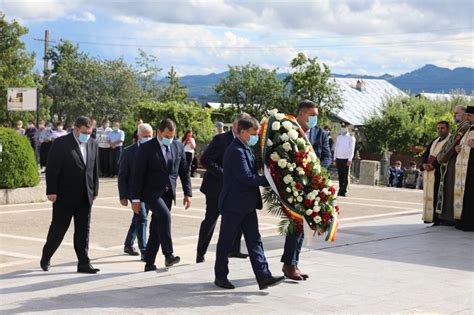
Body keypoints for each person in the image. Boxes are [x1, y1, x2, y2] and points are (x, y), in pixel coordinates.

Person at [214, 115, 285, 290]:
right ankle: (220, 276)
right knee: (226, 242)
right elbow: (246, 178)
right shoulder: (236, 150)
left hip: (247, 204)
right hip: (234, 205)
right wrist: (269, 179)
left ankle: (263, 276)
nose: (255, 136)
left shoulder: (244, 148)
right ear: (242, 131)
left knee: (255, 241)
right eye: (253, 133)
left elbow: (250, 172)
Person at [131, 118, 192, 272]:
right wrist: (136, 199)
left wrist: (188, 193)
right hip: (151, 192)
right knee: (165, 216)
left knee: (157, 227)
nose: (169, 139)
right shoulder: (146, 148)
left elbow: (184, 171)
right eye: (166, 136)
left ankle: (149, 263)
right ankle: (168, 254)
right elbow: (137, 175)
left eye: (172, 136)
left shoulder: (177, 146)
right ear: (158, 132)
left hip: (168, 192)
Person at [40, 116, 100, 274]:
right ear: (76, 128)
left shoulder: (93, 143)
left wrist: (95, 190)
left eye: (90, 132)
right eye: (84, 132)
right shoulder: (61, 143)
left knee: (83, 231)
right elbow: (52, 169)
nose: (87, 135)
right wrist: (51, 190)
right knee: (58, 229)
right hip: (64, 196)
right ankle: (46, 256)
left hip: (85, 196)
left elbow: (93, 169)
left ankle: (83, 263)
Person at [280, 100, 331, 281]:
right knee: (297, 223)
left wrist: (317, 171)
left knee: (304, 224)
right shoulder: (288, 131)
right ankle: (290, 264)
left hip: (313, 183)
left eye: (316, 115)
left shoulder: (320, 133)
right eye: (312, 115)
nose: (315, 119)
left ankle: (291, 263)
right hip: (294, 184)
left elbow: (326, 156)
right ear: (301, 114)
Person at [196, 114, 250, 264]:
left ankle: (234, 249)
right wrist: (225, 174)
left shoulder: (246, 140)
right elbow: (206, 159)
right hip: (216, 188)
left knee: (237, 217)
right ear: (235, 126)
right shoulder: (221, 139)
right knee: (211, 220)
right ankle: (200, 253)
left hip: (236, 189)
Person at [119, 123, 153, 260]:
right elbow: (122, 175)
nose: (147, 138)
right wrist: (123, 195)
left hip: (149, 191)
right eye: (145, 136)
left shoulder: (155, 150)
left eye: (150, 136)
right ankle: (144, 250)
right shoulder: (128, 152)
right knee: (143, 218)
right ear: (138, 136)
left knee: (138, 218)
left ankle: (128, 244)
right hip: (134, 192)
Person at [436, 105, 470, 225]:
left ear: (465, 114)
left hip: (455, 164)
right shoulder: (461, 127)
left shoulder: (464, 127)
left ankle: (450, 218)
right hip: (452, 163)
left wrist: (440, 158)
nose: (454, 115)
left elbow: (451, 147)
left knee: (452, 191)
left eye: (456, 113)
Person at [420, 121, 450, 224]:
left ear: (448, 129)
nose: (440, 130)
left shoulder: (450, 140)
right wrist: (423, 164)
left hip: (441, 173)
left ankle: (438, 219)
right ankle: (430, 217)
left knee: (438, 196)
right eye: (438, 128)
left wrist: (434, 165)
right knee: (430, 195)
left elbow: (445, 155)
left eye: (442, 128)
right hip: (429, 172)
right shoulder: (434, 140)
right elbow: (425, 154)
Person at [453, 106, 474, 231]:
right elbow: (462, 145)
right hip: (465, 172)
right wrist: (457, 148)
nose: (467, 117)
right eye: (466, 115)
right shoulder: (468, 129)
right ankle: (463, 222)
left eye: (469, 115)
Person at [333, 122, 356, 196]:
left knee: (345, 176)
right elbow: (336, 148)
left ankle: (345, 190)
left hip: (346, 159)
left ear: (348, 128)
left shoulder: (351, 138)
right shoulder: (339, 137)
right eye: (342, 127)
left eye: (344, 127)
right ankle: (340, 189)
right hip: (339, 158)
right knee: (340, 175)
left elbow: (351, 149)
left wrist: (350, 159)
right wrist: (334, 158)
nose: (343, 128)